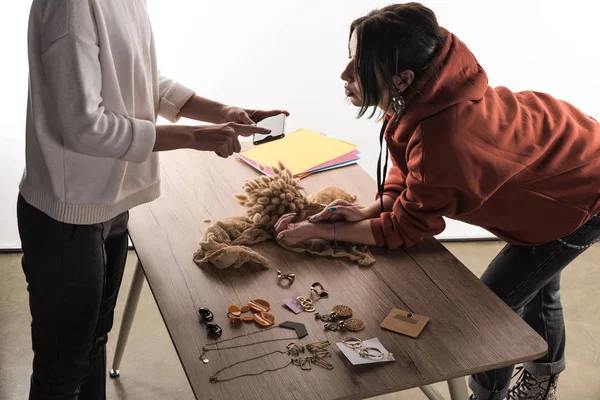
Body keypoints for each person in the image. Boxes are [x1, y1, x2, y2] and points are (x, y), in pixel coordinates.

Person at [275, 3, 600, 400]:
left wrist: (322, 231)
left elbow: (405, 228)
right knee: (538, 285)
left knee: (494, 308)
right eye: (350, 57)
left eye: (359, 64)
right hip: (557, 166)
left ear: (402, 78)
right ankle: (545, 377)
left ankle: (490, 395)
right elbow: (408, 165)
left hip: (582, 192)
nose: (345, 73)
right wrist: (366, 210)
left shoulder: (444, 137)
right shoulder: (422, 93)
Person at [18, 1, 287, 399]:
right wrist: (195, 137)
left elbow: (139, 74)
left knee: (93, 345)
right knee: (62, 370)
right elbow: (83, 127)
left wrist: (221, 111)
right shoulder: (70, 6)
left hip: (109, 203)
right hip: (66, 216)